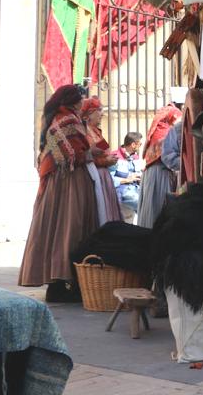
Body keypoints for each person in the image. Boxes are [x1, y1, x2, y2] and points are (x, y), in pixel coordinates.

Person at [19, 85, 98, 302]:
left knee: (54, 229)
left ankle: (57, 283)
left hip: (57, 182)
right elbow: (74, 154)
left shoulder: (55, 118)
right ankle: (65, 283)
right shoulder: (69, 120)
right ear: (74, 101)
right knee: (70, 228)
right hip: (69, 182)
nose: (83, 103)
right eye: (81, 99)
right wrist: (94, 155)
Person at [137, 105, 183, 228]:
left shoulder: (160, 131)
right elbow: (168, 158)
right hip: (159, 175)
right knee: (157, 209)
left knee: (152, 208)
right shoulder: (165, 133)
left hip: (156, 173)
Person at [81, 98, 122, 226]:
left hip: (104, 175)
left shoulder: (96, 131)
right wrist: (105, 161)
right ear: (89, 114)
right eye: (98, 110)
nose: (101, 114)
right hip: (95, 175)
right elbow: (84, 155)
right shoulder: (84, 132)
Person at [112, 132, 144, 222]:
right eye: (140, 144)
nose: (140, 146)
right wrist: (127, 179)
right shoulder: (114, 157)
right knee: (144, 206)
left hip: (136, 190)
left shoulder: (136, 157)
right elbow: (110, 179)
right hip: (123, 194)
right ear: (133, 144)